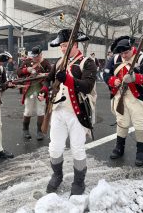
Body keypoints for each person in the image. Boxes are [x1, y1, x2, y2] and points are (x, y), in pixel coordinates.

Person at [38, 29, 97, 195]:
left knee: (77, 148)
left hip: (77, 112)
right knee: (55, 147)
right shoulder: (59, 62)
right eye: (62, 46)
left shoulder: (87, 63)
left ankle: (79, 182)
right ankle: (57, 175)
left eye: (66, 45)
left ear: (75, 45)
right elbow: (49, 79)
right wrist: (44, 89)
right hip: (58, 110)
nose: (63, 49)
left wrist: (69, 79)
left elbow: (87, 86)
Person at [103, 36, 143, 166]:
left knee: (139, 125)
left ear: (132, 48)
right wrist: (112, 81)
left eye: (126, 53)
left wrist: (135, 78)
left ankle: (141, 152)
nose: (124, 56)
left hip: (137, 98)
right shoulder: (114, 60)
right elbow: (106, 74)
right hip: (119, 96)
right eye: (121, 53)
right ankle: (119, 147)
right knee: (121, 122)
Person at [17, 45, 51, 141]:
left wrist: (43, 75)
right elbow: (18, 71)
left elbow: (51, 74)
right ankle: (25, 129)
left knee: (40, 111)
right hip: (29, 90)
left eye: (37, 56)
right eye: (34, 56)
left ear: (40, 54)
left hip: (41, 90)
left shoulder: (45, 62)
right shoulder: (27, 62)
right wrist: (27, 69)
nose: (35, 58)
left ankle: (39, 131)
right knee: (28, 111)